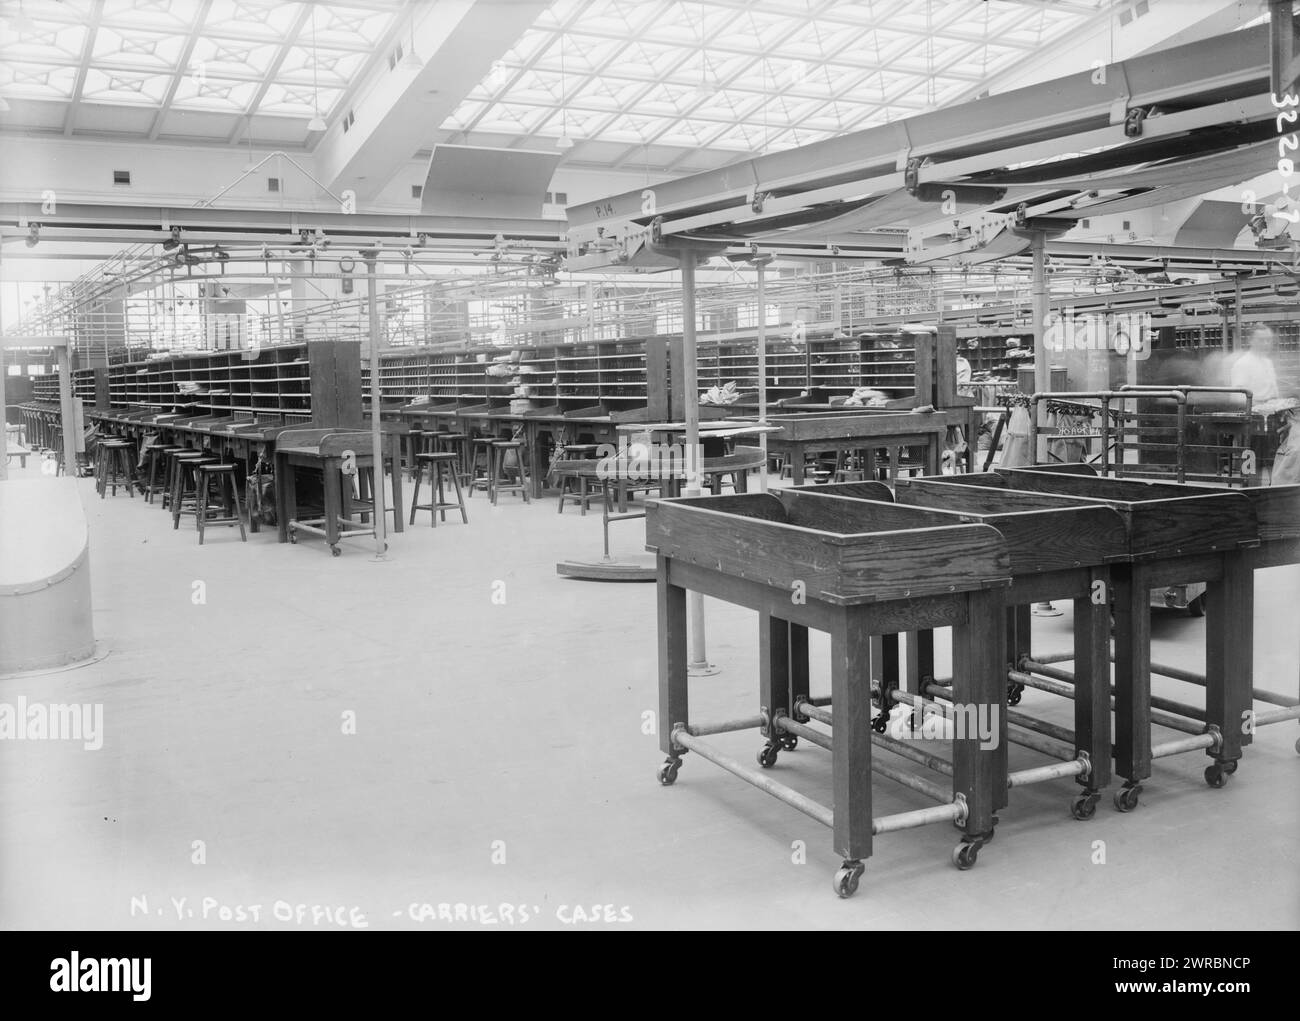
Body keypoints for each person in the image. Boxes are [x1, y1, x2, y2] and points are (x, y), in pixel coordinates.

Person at [1229, 326, 1280, 402]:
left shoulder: (1268, 362)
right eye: (1261, 340)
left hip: (1272, 409)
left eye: (1268, 340)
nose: (1266, 343)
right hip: (1255, 411)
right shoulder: (1243, 364)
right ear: (1250, 341)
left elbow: (1273, 391)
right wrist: (1260, 406)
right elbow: (1237, 397)